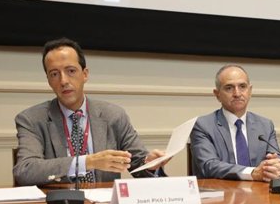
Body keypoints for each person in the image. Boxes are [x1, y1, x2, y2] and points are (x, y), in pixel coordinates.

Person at [13, 37, 166, 186]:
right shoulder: (31, 119)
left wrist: (149, 164)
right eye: (54, 74)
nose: (63, 81)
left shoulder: (113, 115)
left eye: (71, 71)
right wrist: (87, 162)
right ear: (48, 80)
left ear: (85, 74)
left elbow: (139, 163)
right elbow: (25, 171)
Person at [190, 64, 280, 181]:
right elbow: (209, 166)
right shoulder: (202, 125)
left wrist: (277, 168)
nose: (237, 93)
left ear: (250, 91)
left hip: (260, 195)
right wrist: (252, 173)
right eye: (229, 88)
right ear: (217, 94)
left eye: (242, 86)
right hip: (222, 195)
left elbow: (279, 160)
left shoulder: (265, 125)